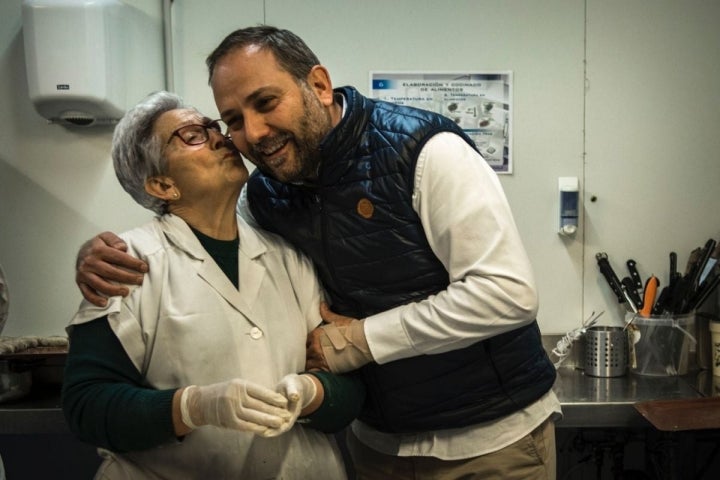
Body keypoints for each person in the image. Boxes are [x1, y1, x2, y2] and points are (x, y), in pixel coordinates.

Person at [76, 26, 561, 480]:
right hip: (378, 445)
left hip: (486, 441)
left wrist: (352, 350)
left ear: (320, 85)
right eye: (232, 121)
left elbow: (507, 294)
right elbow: (194, 232)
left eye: (266, 102)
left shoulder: (425, 151)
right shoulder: (265, 197)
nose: (252, 134)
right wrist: (95, 251)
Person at [63, 90, 364, 480]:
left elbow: (350, 392)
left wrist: (311, 396)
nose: (220, 138)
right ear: (162, 185)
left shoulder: (289, 257)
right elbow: (86, 406)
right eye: (192, 135)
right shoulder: (123, 262)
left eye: (212, 127)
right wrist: (193, 408)